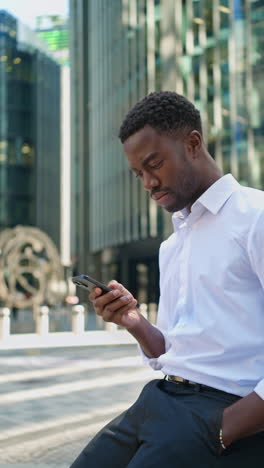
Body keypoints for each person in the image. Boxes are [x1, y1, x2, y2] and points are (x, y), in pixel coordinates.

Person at [70, 91, 264, 467]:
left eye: (154, 164)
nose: (148, 182)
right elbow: (172, 351)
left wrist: (223, 430)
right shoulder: (173, 245)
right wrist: (134, 322)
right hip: (158, 400)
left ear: (192, 143)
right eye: (138, 173)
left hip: (222, 411)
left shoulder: (255, 217)